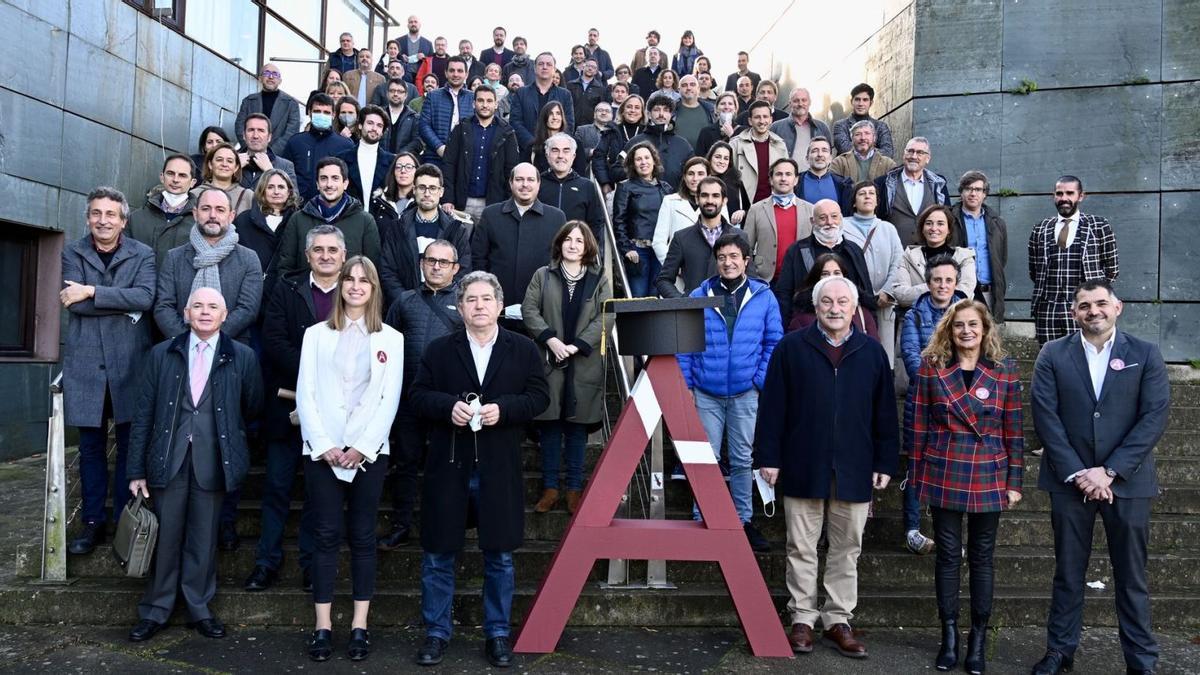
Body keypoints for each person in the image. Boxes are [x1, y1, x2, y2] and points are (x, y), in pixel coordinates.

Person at [409, 271, 550, 668]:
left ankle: (498, 634)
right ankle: (436, 634)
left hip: (498, 465)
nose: (479, 306)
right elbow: (417, 396)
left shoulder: (521, 349)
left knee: (500, 556)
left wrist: (504, 410)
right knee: (437, 554)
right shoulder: (439, 350)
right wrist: (446, 406)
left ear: (500, 306)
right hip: (448, 466)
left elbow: (540, 396)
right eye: (471, 299)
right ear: (460, 306)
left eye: (486, 299)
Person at [1029, 280, 1168, 675]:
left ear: (1117, 307)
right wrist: (1079, 473)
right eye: (1085, 305)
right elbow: (1046, 416)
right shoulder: (1053, 354)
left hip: (1128, 482)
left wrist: (1109, 471)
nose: (1094, 311)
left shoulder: (1145, 354)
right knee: (1068, 572)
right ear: (1074, 312)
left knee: (1132, 577)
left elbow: (1153, 417)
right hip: (1069, 482)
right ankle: (1060, 651)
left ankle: (1141, 660)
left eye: (1101, 303)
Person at [755, 274, 898, 658]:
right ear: (816, 307)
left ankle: (838, 619)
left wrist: (885, 460)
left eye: (842, 303)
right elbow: (772, 408)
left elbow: (884, 413)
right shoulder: (791, 348)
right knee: (800, 545)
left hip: (854, 465)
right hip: (803, 462)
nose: (835, 309)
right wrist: (768, 457)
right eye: (827, 302)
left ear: (855, 308)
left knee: (847, 547)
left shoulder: (872, 353)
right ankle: (802, 617)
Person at [126, 287, 264, 644]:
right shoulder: (161, 354)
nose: (205, 312)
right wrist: (136, 470)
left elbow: (252, 408)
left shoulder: (243, 357)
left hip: (214, 461)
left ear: (225, 314)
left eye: (213, 306)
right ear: (186, 313)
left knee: (203, 539)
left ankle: (199, 608)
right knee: (166, 537)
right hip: (167, 459)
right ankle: (156, 610)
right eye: (198, 306)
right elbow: (143, 414)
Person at [294, 256, 403, 662]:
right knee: (324, 536)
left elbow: (388, 400)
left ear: (375, 289)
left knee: (361, 537)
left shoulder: (391, 338)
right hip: (322, 451)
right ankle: (322, 626)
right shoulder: (315, 334)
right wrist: (324, 444)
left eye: (364, 281)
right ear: (339, 285)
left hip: (369, 452)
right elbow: (306, 394)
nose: (356, 286)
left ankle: (360, 626)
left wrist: (362, 446)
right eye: (349, 279)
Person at [908, 299, 1023, 674]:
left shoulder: (1005, 371)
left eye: (973, 324)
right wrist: (917, 473)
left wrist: (1015, 481)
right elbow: (919, 424)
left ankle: (978, 638)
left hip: (989, 471)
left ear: (985, 328)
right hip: (945, 468)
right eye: (959, 325)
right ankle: (949, 637)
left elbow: (1014, 432)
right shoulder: (932, 367)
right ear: (949, 330)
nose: (966, 331)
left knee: (982, 558)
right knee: (946, 556)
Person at [244, 225, 345, 596]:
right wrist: (313, 372)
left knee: (318, 493)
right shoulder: (286, 288)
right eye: (318, 249)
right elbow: (273, 341)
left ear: (343, 255)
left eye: (333, 250)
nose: (325, 256)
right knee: (276, 486)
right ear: (307, 256)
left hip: (334, 412)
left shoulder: (354, 294)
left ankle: (310, 564)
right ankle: (265, 562)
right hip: (286, 404)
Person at [61, 187, 156, 556]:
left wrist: (91, 291)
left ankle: (123, 521)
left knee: (131, 447)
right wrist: (114, 299)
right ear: (88, 218)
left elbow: (145, 298)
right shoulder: (73, 251)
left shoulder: (143, 253)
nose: (104, 221)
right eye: (97, 214)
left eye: (111, 215)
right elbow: (75, 306)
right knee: (90, 448)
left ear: (124, 220)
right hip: (86, 364)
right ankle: (92, 522)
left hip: (130, 362)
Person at [680, 233, 781, 551]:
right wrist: (687, 385)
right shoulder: (700, 294)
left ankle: (742, 521)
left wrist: (758, 381)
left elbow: (773, 342)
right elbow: (685, 343)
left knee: (740, 459)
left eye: (734, 256)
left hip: (744, 392)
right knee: (704, 459)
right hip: (706, 392)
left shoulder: (763, 296)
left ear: (746, 261)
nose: (728, 262)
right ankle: (703, 517)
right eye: (722, 257)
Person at [378, 240, 465, 550]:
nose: (437, 266)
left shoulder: (466, 303)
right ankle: (401, 525)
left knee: (445, 467)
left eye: (444, 262)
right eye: (431, 260)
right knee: (405, 463)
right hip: (409, 398)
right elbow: (385, 347)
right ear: (421, 264)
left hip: (448, 401)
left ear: (456, 268)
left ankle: (441, 527)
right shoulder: (404, 301)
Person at [523, 222, 611, 514]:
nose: (573, 245)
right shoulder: (542, 275)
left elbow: (606, 314)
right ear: (559, 243)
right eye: (568, 240)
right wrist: (551, 340)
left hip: (583, 362)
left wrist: (577, 346)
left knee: (576, 429)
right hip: (549, 360)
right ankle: (549, 489)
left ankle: (574, 489)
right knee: (549, 428)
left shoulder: (599, 279)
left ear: (587, 247)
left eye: (579, 241)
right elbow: (529, 310)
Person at [899, 256, 967, 556]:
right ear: (928, 283)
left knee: (956, 467)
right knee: (917, 465)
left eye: (948, 280)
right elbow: (912, 357)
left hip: (962, 405)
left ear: (956, 283)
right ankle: (913, 529)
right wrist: (941, 387)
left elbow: (978, 356)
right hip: (923, 402)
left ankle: (950, 534)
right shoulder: (914, 315)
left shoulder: (969, 314)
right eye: (937, 280)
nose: (943, 285)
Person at [154, 188, 263, 343]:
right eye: (206, 209)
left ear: (231, 216)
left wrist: (211, 340)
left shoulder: (248, 259)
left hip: (231, 348)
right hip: (179, 347)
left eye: (220, 210)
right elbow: (163, 307)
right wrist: (188, 341)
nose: (213, 215)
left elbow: (248, 310)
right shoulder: (174, 257)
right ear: (195, 213)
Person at [1028, 175, 1119, 345]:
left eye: (1070, 193)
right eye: (1059, 194)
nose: (1064, 198)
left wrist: (1094, 297)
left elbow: (1112, 269)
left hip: (1085, 308)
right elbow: (1034, 270)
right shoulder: (1040, 228)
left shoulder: (1099, 225)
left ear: (1081, 196)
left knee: (1085, 357)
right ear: (1053, 196)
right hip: (1048, 308)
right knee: (1049, 358)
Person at [471, 163, 567, 312]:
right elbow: (478, 258)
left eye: (530, 180)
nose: (525, 185)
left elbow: (561, 261)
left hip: (542, 305)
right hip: (497, 305)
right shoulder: (491, 214)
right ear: (511, 183)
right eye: (519, 179)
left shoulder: (556, 217)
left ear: (538, 183)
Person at [380, 165, 473, 306]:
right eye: (422, 187)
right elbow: (387, 271)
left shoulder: (456, 230)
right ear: (414, 190)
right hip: (404, 307)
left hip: (443, 309)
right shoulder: (396, 228)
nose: (427, 193)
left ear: (441, 192)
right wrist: (406, 301)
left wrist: (442, 301)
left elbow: (463, 272)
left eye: (433, 188)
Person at [774, 200, 876, 327]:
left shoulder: (853, 251)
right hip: (808, 326)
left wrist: (872, 325)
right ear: (812, 221)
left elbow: (867, 293)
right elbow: (784, 294)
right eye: (823, 218)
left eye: (834, 216)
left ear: (841, 218)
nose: (829, 222)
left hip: (851, 326)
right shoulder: (797, 251)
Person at [276, 157, 381, 278]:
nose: (329, 184)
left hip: (349, 295)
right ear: (317, 184)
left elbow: (373, 269)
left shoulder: (365, 221)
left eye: (335, 178)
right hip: (305, 294)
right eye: (324, 179)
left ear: (345, 183)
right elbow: (285, 267)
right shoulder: (298, 220)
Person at [841, 181, 903, 363]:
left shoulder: (888, 228)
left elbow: (898, 262)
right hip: (854, 301)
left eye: (871, 193)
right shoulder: (842, 227)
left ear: (877, 201)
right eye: (862, 193)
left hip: (884, 302)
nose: (867, 196)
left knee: (883, 353)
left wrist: (887, 291)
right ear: (853, 201)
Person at [440, 85, 519, 224]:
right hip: (462, 203)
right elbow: (449, 164)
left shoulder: (507, 133)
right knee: (459, 243)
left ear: (496, 104)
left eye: (489, 101)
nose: (485, 105)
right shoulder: (461, 129)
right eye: (480, 100)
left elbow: (511, 170)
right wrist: (448, 198)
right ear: (473, 103)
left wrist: (508, 203)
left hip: (493, 204)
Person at [657, 177, 744, 297]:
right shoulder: (681, 238)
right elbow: (664, 280)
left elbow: (751, 278)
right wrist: (683, 303)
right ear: (697, 199)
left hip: (730, 311)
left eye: (715, 196)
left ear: (724, 201)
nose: (710, 200)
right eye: (704, 195)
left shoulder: (739, 236)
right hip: (695, 312)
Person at [889, 205, 978, 309]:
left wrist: (927, 289)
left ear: (949, 229)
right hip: (916, 321)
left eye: (940, 224)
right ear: (922, 228)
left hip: (952, 320)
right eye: (928, 223)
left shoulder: (964, 257)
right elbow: (901, 295)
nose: (934, 228)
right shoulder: (908, 256)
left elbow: (964, 293)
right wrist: (942, 288)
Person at [614, 143, 673, 297]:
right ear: (633, 164)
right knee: (638, 297)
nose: (643, 162)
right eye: (638, 159)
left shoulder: (665, 188)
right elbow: (619, 221)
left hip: (660, 250)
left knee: (656, 295)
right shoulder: (625, 187)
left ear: (654, 161)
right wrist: (627, 249)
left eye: (647, 158)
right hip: (638, 252)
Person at [232, 168, 300, 299]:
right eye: (270, 187)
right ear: (262, 191)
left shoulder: (298, 220)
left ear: (289, 191)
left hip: (288, 291)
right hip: (251, 290)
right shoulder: (244, 220)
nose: (276, 192)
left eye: (281, 187)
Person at [744, 158, 814, 284]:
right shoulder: (756, 209)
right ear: (771, 180)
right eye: (778, 174)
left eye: (788, 174)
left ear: (796, 180)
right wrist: (753, 275)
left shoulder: (810, 210)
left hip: (802, 279)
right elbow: (746, 247)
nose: (783, 178)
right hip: (766, 280)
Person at [874, 137, 952, 246]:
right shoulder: (884, 183)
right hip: (894, 251)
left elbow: (947, 218)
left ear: (928, 158)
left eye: (920, 153)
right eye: (910, 151)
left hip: (930, 253)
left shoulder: (939, 184)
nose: (914, 156)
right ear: (904, 154)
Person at [952, 172, 1008, 323]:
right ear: (961, 192)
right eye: (968, 188)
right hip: (960, 291)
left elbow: (1001, 258)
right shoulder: (950, 219)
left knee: (988, 342)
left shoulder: (997, 223)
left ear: (985, 194)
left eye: (978, 189)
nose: (973, 193)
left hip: (989, 292)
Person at [280, 93, 355, 202]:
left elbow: (350, 181)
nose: (321, 115)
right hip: (300, 206)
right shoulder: (295, 142)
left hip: (334, 207)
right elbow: (284, 175)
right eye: (317, 111)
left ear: (333, 115)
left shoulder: (346, 145)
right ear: (310, 113)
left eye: (326, 112)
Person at [539, 133, 607, 250]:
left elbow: (595, 224)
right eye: (555, 150)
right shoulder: (537, 184)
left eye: (566, 151)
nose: (561, 156)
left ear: (573, 156)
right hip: (541, 250)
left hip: (575, 252)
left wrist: (587, 248)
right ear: (547, 155)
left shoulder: (586, 186)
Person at [128, 154, 198, 268]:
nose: (175, 180)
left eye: (182, 175)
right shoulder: (136, 218)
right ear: (162, 177)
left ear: (192, 182)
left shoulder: (200, 222)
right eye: (170, 173)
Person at [785, 253, 878, 337]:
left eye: (837, 273)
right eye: (825, 274)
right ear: (816, 277)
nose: (831, 277)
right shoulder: (802, 317)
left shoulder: (862, 312)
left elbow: (873, 351)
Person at [509, 52, 576, 155]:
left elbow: (569, 124)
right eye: (541, 64)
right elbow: (515, 121)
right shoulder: (521, 93)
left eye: (549, 64)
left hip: (556, 152)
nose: (545, 67)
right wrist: (532, 144)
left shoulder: (565, 95)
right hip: (527, 151)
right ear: (534, 68)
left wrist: (553, 144)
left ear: (554, 70)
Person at [652, 156, 712, 265]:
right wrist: (673, 265)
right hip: (678, 270)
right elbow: (658, 241)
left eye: (700, 174)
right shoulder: (670, 201)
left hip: (709, 268)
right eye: (690, 174)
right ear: (684, 177)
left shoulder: (717, 203)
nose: (695, 178)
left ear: (708, 176)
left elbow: (724, 238)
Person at [626, 94, 693, 190]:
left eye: (666, 110)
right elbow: (618, 170)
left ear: (671, 115)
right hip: (641, 199)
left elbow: (694, 172)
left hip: (675, 199)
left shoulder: (683, 145)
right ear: (649, 114)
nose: (661, 114)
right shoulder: (636, 142)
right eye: (657, 110)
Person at [418, 56, 473, 167]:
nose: (455, 74)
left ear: (466, 74)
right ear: (446, 73)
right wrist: (439, 147)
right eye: (452, 70)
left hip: (464, 160)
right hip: (435, 157)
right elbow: (424, 125)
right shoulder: (433, 96)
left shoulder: (473, 98)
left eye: (460, 71)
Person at [235, 63, 301, 154]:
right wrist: (251, 149)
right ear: (260, 78)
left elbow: (291, 133)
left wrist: (270, 153)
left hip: (279, 157)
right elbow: (240, 127)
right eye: (267, 73)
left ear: (280, 80)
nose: (271, 77)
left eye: (275, 74)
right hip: (249, 155)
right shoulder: (248, 101)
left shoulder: (291, 104)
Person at [730, 100, 788, 204]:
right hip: (745, 206)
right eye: (757, 117)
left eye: (765, 117)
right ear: (750, 121)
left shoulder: (780, 145)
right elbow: (729, 179)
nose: (762, 121)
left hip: (773, 205)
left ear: (771, 119)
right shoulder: (736, 144)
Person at [341, 105, 396, 204]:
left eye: (379, 125)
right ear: (360, 125)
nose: (374, 128)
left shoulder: (392, 161)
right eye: (370, 123)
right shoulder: (342, 159)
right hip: (349, 216)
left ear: (383, 131)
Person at [591, 95, 645, 191]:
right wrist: (605, 182)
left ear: (642, 113)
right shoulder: (611, 131)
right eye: (629, 107)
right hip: (616, 185)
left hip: (644, 186)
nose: (632, 110)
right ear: (622, 110)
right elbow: (599, 157)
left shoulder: (647, 132)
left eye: (637, 108)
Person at [770, 88, 833, 171]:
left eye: (804, 100)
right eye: (796, 101)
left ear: (809, 102)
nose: (800, 104)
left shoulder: (822, 127)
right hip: (786, 179)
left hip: (813, 179)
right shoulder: (776, 127)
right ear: (790, 103)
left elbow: (829, 154)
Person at [238, 113, 298, 192]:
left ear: (269, 137)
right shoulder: (231, 161)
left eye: (261, 131)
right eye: (251, 130)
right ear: (244, 135)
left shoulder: (285, 166)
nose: (255, 136)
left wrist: (270, 171)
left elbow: (294, 199)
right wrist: (233, 168)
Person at [832, 83, 895, 158]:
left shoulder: (881, 126)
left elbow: (888, 152)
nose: (860, 104)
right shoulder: (840, 125)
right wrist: (872, 148)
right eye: (857, 99)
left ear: (871, 103)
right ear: (851, 101)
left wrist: (859, 148)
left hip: (875, 169)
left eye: (865, 100)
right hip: (848, 169)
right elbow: (844, 149)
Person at [794, 137, 854, 215]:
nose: (820, 154)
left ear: (830, 158)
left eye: (824, 150)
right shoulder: (795, 182)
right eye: (815, 151)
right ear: (807, 158)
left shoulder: (843, 184)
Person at [191, 143, 254, 217]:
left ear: (236, 167)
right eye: (219, 160)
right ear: (210, 165)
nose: (224, 164)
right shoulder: (194, 194)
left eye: (229, 161)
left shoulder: (248, 196)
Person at [829, 120, 897, 184]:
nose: (863, 138)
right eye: (858, 134)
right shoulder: (838, 163)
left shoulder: (888, 164)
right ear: (852, 139)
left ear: (874, 138)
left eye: (867, 133)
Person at [370, 152, 419, 226]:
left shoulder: (422, 201)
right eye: (398, 167)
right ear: (393, 172)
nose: (403, 171)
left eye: (408, 167)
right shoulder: (379, 202)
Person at [706, 141, 748, 225]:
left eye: (726, 158)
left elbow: (749, 208)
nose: (722, 161)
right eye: (718, 157)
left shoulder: (736, 182)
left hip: (731, 233)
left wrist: (743, 213)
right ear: (710, 157)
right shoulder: (701, 180)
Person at [380, 77, 422, 156]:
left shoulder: (414, 117)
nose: (395, 94)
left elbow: (417, 142)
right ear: (387, 94)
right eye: (392, 91)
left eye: (399, 91)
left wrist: (399, 155)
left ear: (406, 95)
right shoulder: (379, 114)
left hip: (403, 163)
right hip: (380, 160)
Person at [672, 75, 715, 151]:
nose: (688, 88)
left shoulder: (710, 110)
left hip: (703, 159)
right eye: (684, 85)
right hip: (677, 158)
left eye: (692, 85)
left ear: (698, 88)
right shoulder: (671, 110)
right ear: (679, 90)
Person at [694, 92, 738, 159]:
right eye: (723, 104)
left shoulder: (742, 131)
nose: (726, 107)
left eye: (730, 104)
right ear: (716, 109)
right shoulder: (706, 132)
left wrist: (732, 136)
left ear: (735, 109)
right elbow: (700, 158)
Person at [566, 58, 606, 127]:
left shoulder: (600, 89)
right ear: (583, 67)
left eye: (593, 67)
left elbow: (601, 110)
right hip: (571, 125)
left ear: (596, 71)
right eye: (588, 66)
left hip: (590, 127)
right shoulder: (571, 85)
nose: (590, 68)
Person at [400, 16, 434, 84]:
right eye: (411, 22)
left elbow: (431, 63)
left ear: (420, 25)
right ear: (407, 25)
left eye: (415, 22)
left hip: (421, 79)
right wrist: (400, 57)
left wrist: (424, 58)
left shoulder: (428, 44)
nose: (413, 24)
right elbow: (393, 57)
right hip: (403, 77)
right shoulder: (399, 41)